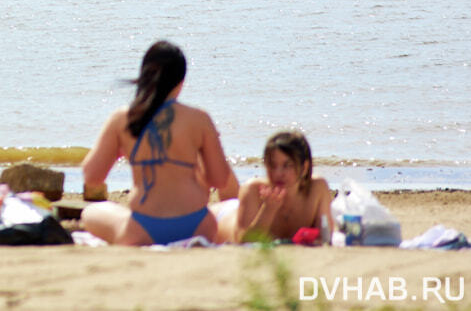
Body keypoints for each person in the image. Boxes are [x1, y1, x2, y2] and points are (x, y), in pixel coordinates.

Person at [80, 41, 237, 245]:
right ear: (181, 82)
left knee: (91, 211)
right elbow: (220, 180)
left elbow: (92, 177)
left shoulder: (124, 118)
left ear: (144, 76)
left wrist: (122, 151)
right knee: (231, 206)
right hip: (197, 227)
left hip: (141, 231)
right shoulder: (198, 119)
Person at [216, 131, 333, 244]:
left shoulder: (317, 188)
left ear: (304, 167)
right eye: (272, 165)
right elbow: (243, 241)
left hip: (242, 208)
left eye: (287, 165)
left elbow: (325, 237)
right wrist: (268, 209)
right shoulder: (253, 189)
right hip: (223, 217)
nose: (278, 173)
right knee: (226, 193)